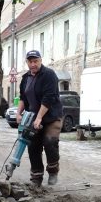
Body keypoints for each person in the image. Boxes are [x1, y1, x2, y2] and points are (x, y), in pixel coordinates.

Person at [16, 50, 63, 186]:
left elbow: (48, 98)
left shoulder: (49, 75)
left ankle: (53, 171)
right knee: (33, 145)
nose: (33, 64)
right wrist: (19, 114)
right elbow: (23, 98)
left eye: (35, 61)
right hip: (33, 117)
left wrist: (39, 118)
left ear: (41, 60)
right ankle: (36, 178)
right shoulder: (25, 78)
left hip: (51, 116)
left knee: (49, 142)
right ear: (27, 62)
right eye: (30, 61)